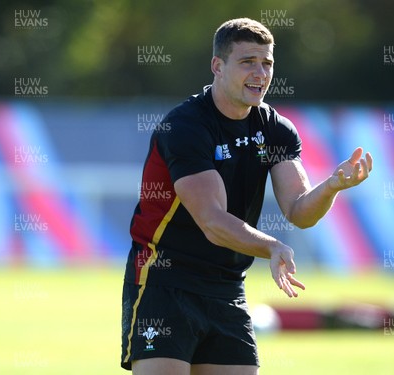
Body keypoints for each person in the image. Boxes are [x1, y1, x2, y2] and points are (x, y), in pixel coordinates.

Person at [121, 17, 372, 375]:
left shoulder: (276, 130)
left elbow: (299, 211)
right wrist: (271, 246)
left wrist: (331, 186)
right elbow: (212, 221)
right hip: (165, 283)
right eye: (247, 62)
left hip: (226, 289)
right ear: (217, 67)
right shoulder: (187, 126)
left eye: (267, 63)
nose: (260, 72)